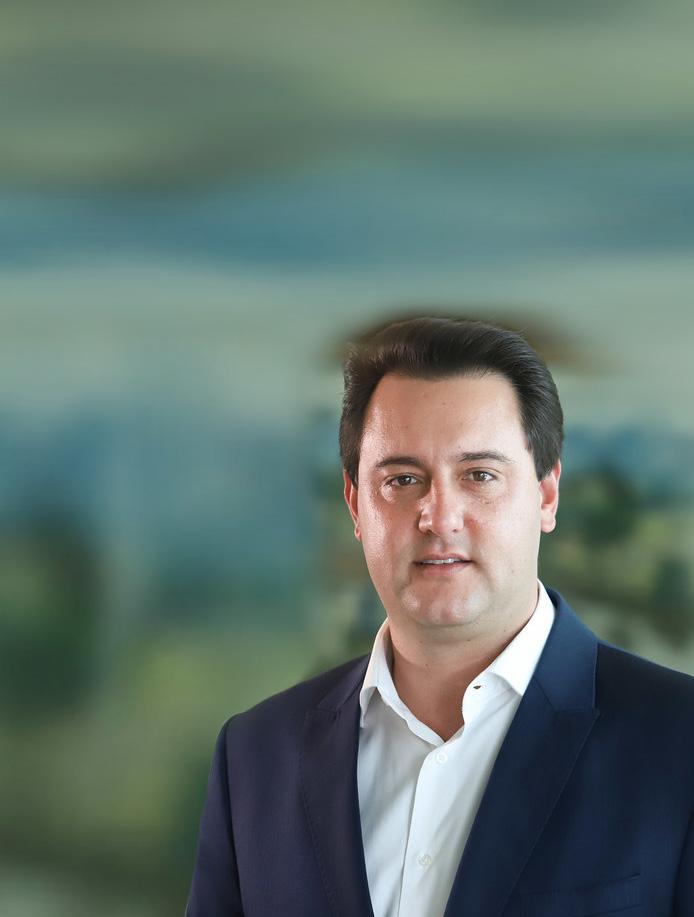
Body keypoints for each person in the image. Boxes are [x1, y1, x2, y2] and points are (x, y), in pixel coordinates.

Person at [186, 316, 694, 917]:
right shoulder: (255, 759)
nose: (439, 516)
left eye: (479, 475)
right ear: (355, 504)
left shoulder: (678, 743)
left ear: (547, 493)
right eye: (402, 479)